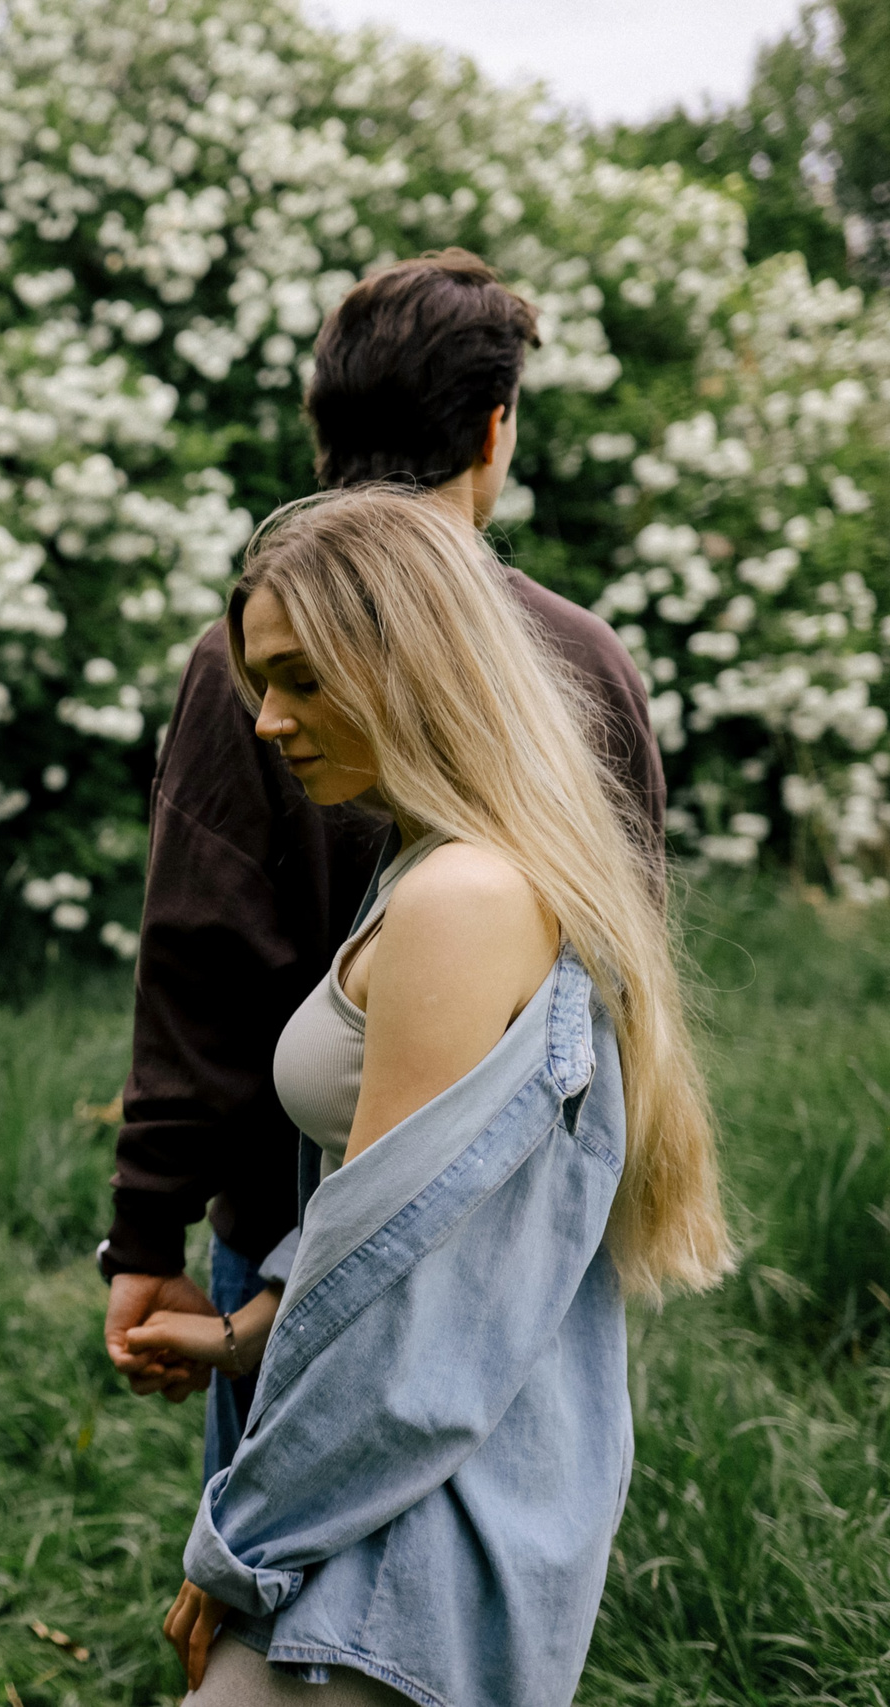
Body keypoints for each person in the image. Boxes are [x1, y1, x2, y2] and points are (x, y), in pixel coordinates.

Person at [135, 487, 733, 1704]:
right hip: (429, 1471)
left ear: (408, 665)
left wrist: (238, 1549)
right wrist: (244, 1333)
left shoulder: (459, 899)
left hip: (405, 1520)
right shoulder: (455, 861)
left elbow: (392, 1305)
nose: (264, 721)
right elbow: (417, 1220)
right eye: (262, 681)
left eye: (300, 680)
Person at [98, 251, 669, 1484]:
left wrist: (144, 1229)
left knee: (292, 1592)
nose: (284, 712)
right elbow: (624, 991)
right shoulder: (585, 661)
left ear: (323, 429)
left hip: (300, 1236)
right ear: (491, 427)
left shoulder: (247, 656)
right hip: (523, 1250)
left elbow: (199, 961)